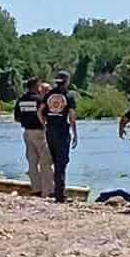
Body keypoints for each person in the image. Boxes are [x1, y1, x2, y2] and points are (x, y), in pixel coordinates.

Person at [42, 70, 78, 203]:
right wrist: (75, 134)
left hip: (50, 131)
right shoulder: (69, 96)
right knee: (61, 163)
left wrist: (45, 125)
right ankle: (60, 194)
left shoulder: (49, 95)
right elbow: (72, 117)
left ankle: (57, 191)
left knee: (56, 161)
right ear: (67, 81)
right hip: (62, 132)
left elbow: (40, 111)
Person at [14, 77, 54, 197]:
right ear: (36, 86)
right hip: (40, 132)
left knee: (32, 162)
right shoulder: (39, 100)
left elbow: (16, 118)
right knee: (45, 162)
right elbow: (45, 115)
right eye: (39, 85)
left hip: (27, 132)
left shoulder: (21, 100)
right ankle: (49, 190)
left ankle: (36, 189)